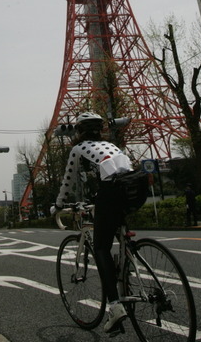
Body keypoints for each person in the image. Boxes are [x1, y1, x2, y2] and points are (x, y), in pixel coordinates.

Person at [53, 112, 133, 337]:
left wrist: (59, 204)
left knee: (100, 248)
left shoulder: (78, 149)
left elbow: (68, 181)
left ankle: (115, 306)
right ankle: (129, 266)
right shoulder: (111, 145)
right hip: (132, 189)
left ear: (79, 132)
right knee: (120, 233)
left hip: (109, 193)